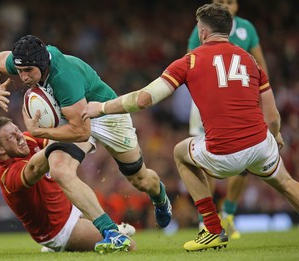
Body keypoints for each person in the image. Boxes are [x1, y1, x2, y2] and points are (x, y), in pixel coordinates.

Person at [81, 3, 299, 252]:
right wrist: (276, 135)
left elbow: (143, 99)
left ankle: (212, 228)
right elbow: (272, 116)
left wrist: (102, 108)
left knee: (180, 152)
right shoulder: (249, 59)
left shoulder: (190, 61)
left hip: (223, 155)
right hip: (260, 145)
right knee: (286, 183)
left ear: (203, 33)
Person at [0, 34, 173, 248]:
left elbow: (82, 132)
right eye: (20, 71)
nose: (24, 77)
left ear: (43, 63)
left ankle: (159, 196)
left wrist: (40, 132)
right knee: (60, 170)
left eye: (29, 71)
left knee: (140, 180)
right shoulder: (26, 59)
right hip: (72, 116)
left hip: (107, 115)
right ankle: (111, 232)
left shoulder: (64, 79)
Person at [0, 113, 136, 253]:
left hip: (69, 207)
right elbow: (36, 167)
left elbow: (59, 142)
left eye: (17, 130)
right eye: (11, 137)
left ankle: (106, 231)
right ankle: (62, 246)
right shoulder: (8, 176)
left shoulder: (26, 140)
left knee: (79, 138)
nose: (19, 136)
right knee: (129, 246)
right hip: (59, 229)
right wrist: (67, 126)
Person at [187, 0, 269, 239]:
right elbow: (191, 63)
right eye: (220, 2)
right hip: (209, 104)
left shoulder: (247, 29)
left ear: (237, 6)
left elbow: (261, 66)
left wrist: (261, 96)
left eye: (229, 1)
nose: (226, 5)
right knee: (204, 159)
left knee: (246, 159)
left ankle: (229, 214)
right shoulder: (200, 30)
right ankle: (208, 220)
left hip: (240, 102)